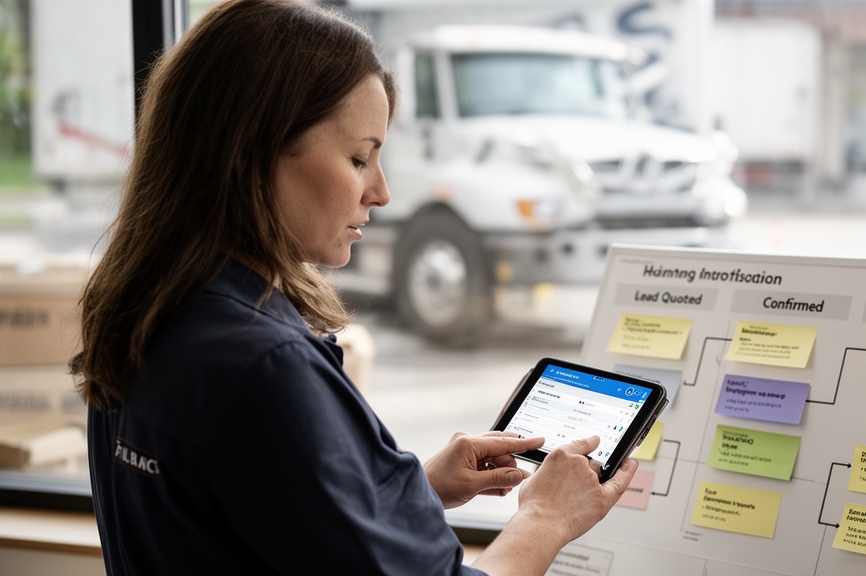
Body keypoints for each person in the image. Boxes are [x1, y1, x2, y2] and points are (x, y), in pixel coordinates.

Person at [70, 0, 638, 574]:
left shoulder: (147, 313)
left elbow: (236, 508)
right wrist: (546, 517)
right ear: (252, 154)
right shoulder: (264, 366)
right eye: (359, 158)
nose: (382, 192)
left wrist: (401, 487)